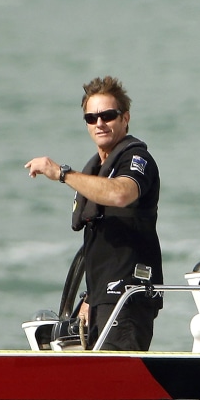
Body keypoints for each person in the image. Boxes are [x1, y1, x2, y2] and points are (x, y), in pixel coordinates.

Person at [25, 76, 163, 351]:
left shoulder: (137, 159)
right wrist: (90, 297)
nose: (99, 123)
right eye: (91, 118)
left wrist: (62, 174)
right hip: (101, 298)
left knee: (116, 380)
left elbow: (121, 193)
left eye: (108, 115)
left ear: (125, 118)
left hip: (128, 297)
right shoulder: (96, 170)